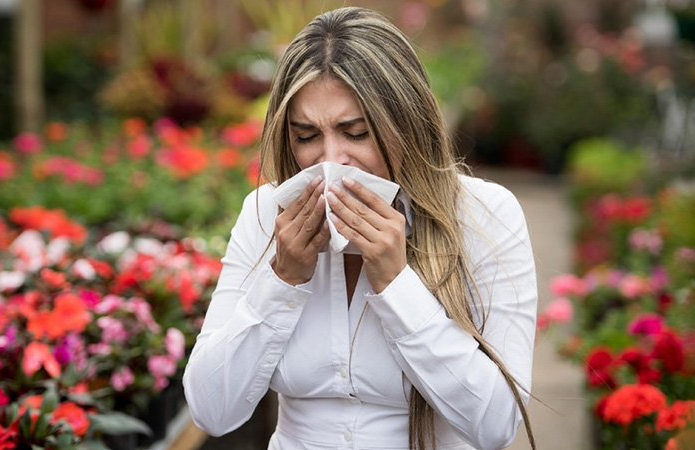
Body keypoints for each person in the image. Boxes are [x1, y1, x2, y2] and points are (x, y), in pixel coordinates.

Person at [183, 6, 537, 450]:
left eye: (355, 132)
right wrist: (281, 280)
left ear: (407, 124)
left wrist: (396, 285)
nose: (331, 160)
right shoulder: (266, 214)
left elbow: (496, 424)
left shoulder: (485, 216)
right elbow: (211, 410)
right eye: (307, 136)